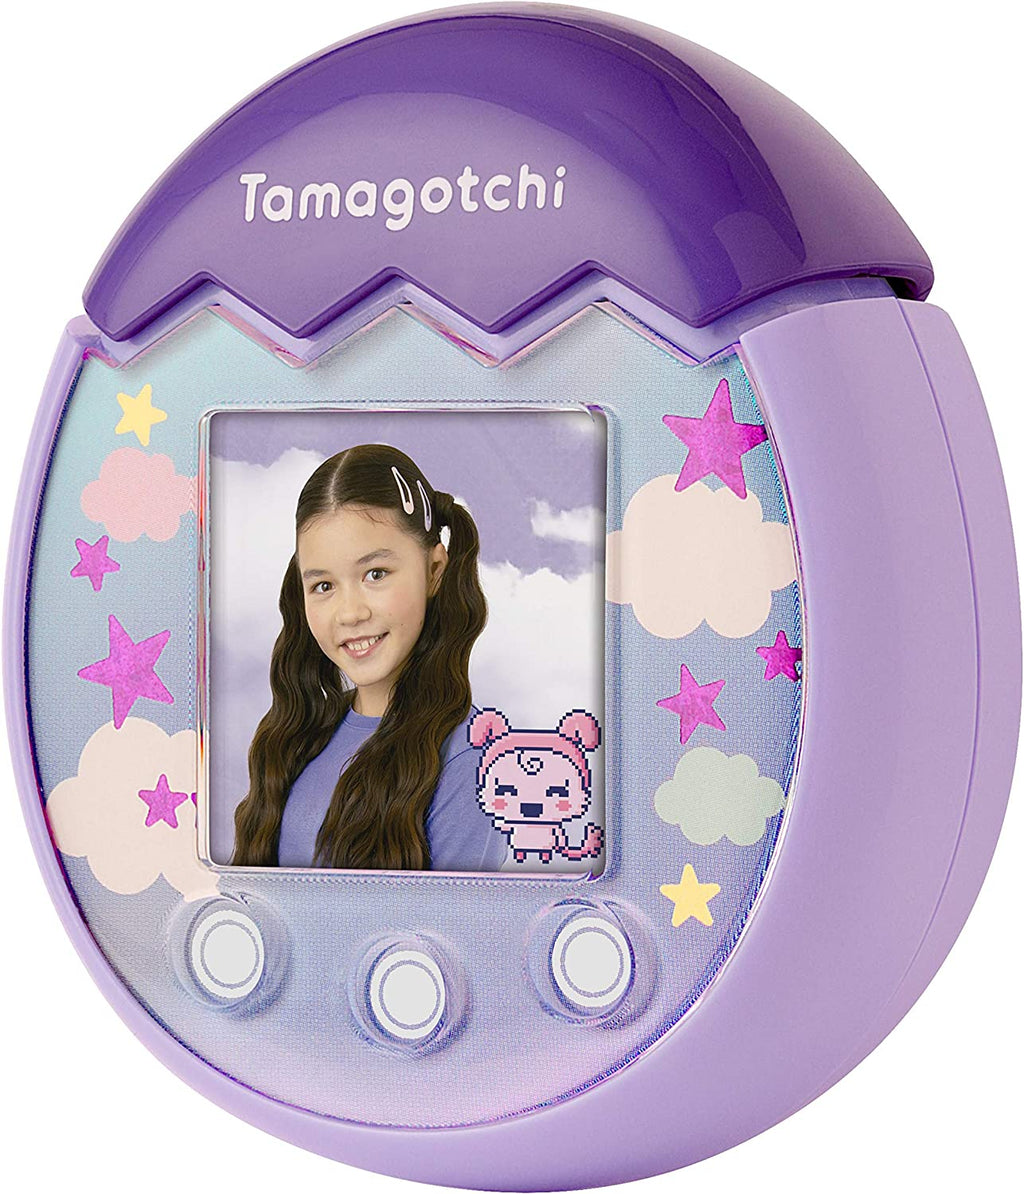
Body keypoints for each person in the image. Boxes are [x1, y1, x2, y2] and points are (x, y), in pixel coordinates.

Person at [231, 443, 507, 872]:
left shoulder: (470, 758)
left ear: (435, 570)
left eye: (375, 574)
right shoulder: (298, 739)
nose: (350, 613)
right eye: (323, 585)